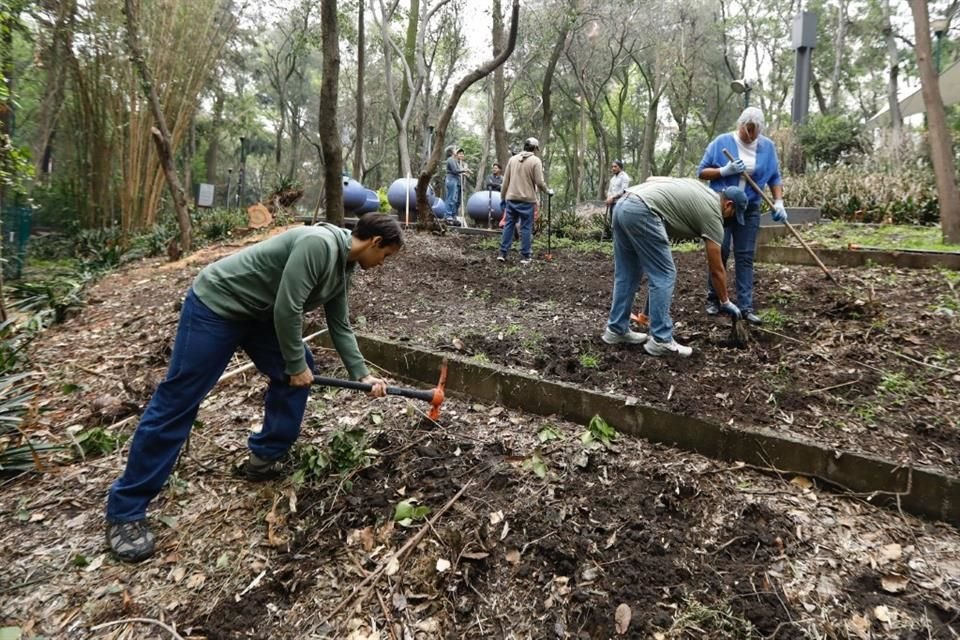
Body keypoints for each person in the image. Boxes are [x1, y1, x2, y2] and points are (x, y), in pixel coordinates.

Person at [104, 214, 402, 562]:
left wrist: (361, 374)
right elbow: (288, 307)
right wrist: (294, 365)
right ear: (375, 242)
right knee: (179, 400)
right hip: (216, 306)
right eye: (386, 256)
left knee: (300, 374)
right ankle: (126, 510)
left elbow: (339, 324)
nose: (382, 264)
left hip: (259, 317)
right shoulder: (317, 244)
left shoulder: (343, 269)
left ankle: (265, 457)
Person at [603, 177, 746, 358]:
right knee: (664, 274)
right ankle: (661, 340)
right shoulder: (714, 215)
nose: (729, 222)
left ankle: (616, 329)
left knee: (627, 273)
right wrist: (725, 301)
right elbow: (716, 269)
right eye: (733, 215)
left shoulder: (700, 188)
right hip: (643, 210)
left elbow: (652, 178)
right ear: (728, 205)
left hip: (623, 204)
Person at [697, 107, 786, 325]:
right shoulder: (721, 143)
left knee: (745, 256)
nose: (750, 136)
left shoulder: (767, 147)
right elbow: (701, 172)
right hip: (723, 207)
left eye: (755, 132)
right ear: (740, 125)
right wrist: (723, 171)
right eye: (747, 131)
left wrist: (778, 201)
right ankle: (715, 299)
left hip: (750, 209)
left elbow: (775, 177)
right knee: (721, 251)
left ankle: (746, 307)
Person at [497, 137, 553, 265]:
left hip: (511, 198)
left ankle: (502, 253)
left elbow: (505, 182)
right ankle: (525, 256)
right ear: (535, 148)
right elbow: (539, 182)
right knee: (526, 228)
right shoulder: (535, 161)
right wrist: (547, 190)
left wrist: (503, 197)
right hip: (527, 200)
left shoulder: (512, 159)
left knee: (509, 225)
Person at [444, 147, 471, 224]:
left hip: (456, 180)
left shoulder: (455, 161)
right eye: (455, 149)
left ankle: (453, 215)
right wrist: (465, 170)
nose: (456, 150)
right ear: (452, 152)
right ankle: (448, 215)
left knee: (455, 200)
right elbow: (455, 170)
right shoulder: (450, 159)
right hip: (451, 179)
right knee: (451, 198)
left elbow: (458, 172)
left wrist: (464, 173)